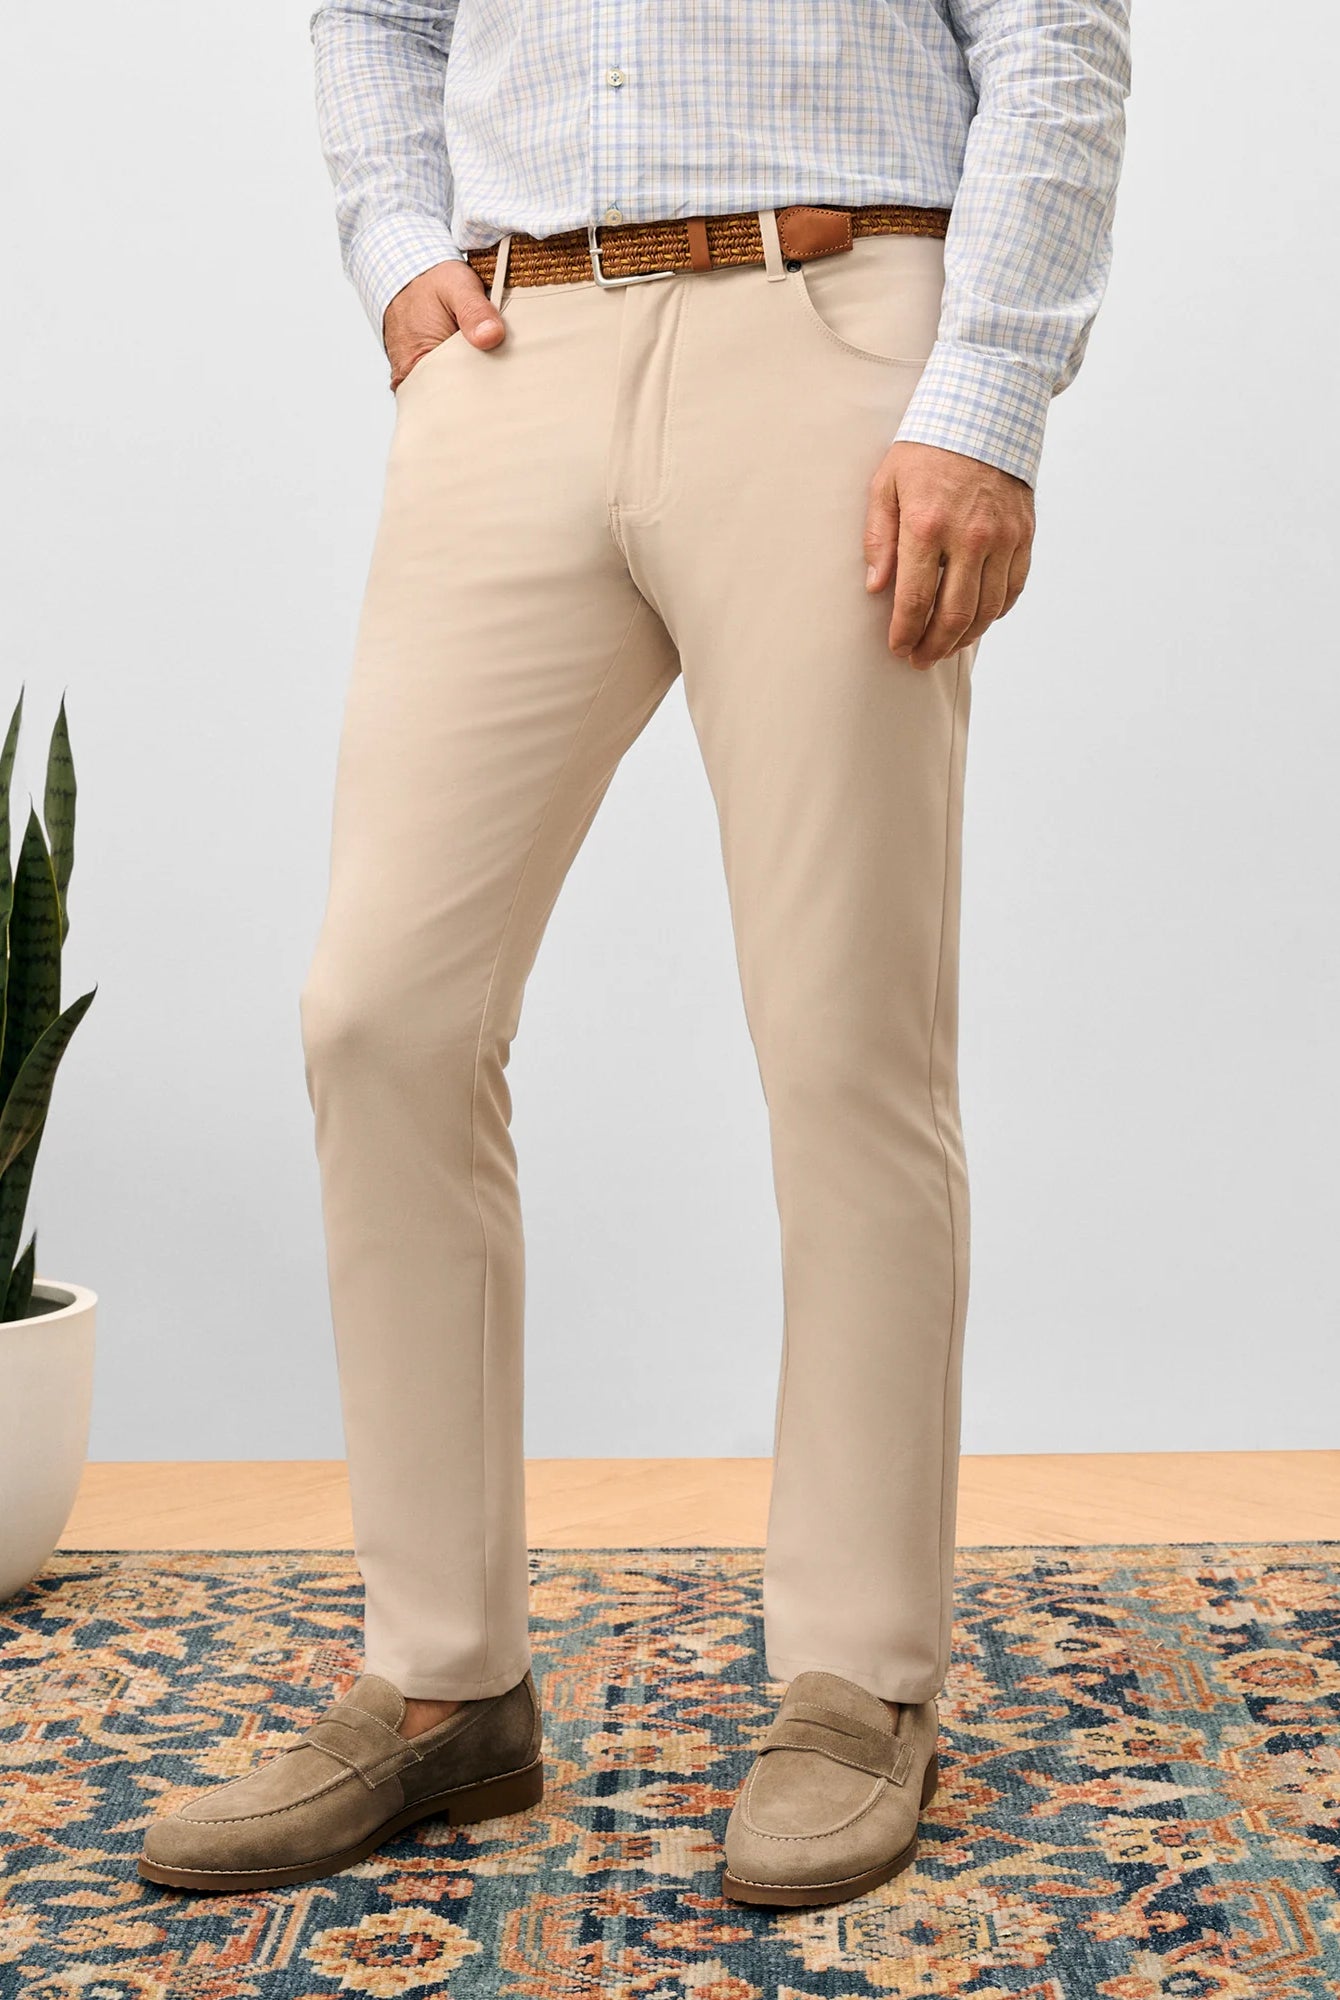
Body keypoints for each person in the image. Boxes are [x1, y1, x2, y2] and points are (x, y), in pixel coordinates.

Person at [141, 0, 1130, 1908]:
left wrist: (987, 394)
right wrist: (398, 249)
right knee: (380, 1014)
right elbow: (376, 14)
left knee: (844, 1034)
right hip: (512, 352)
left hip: (837, 327)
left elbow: (1053, 36)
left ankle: (858, 1676)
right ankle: (444, 1681)